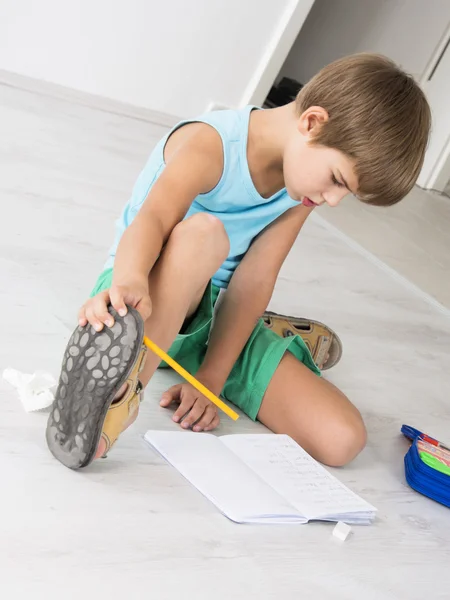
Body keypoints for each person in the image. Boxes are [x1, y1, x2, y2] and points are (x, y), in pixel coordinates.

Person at [46, 53, 431, 470]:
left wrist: (210, 379)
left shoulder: (303, 186)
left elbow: (254, 277)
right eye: (338, 180)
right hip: (141, 296)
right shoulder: (210, 143)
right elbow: (152, 219)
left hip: (214, 319)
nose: (333, 200)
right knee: (204, 235)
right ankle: (120, 398)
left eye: (346, 194)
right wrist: (130, 280)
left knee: (343, 439)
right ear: (313, 122)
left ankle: (262, 332)